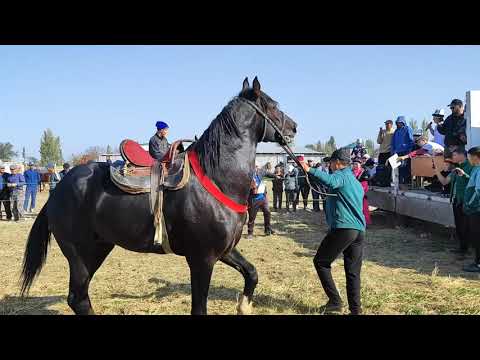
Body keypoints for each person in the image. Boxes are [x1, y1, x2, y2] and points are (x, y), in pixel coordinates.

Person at [300, 148, 366, 315]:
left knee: (321, 262)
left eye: (330, 162)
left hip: (344, 228)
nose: (329, 165)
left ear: (337, 163)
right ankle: (355, 310)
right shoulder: (354, 180)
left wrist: (309, 169)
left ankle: (335, 302)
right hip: (358, 231)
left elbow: (330, 181)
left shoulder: (341, 175)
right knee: (352, 272)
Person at [433, 146, 472, 258]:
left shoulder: (471, 167)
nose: (452, 157)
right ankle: (462, 248)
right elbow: (445, 182)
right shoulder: (456, 168)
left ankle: (466, 250)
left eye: (454, 155)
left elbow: (473, 181)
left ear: (462, 155)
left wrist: (464, 174)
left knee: (466, 227)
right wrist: (436, 170)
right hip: (456, 201)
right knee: (459, 226)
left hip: (465, 201)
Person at [461, 146, 480, 272]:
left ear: (475, 157)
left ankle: (478, 263)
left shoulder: (479, 170)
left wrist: (469, 204)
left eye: (469, 156)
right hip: (475, 208)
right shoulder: (475, 169)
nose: (468, 159)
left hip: (476, 209)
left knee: (477, 236)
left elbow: (478, 191)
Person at [246, 165, 275, 239]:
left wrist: (276, 176)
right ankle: (250, 233)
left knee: (267, 212)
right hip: (254, 199)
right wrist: (251, 187)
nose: (256, 168)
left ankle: (267, 229)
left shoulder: (260, 172)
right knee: (252, 217)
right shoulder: (248, 175)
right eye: (255, 167)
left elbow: (268, 174)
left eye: (257, 167)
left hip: (263, 198)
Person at [391, 116, 415, 185]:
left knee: (405, 168)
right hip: (396, 153)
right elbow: (393, 142)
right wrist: (393, 151)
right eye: (397, 122)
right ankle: (399, 183)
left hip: (405, 152)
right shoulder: (396, 131)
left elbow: (411, 141)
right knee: (397, 169)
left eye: (400, 122)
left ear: (403, 122)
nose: (399, 124)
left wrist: (408, 150)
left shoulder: (408, 128)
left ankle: (407, 183)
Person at [352, 159, 372, 226]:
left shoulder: (363, 172)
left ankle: (365, 223)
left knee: (364, 209)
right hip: (353, 194)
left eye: (356, 164)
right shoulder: (351, 173)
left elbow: (364, 184)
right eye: (354, 164)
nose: (355, 165)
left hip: (360, 195)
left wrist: (360, 193)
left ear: (360, 165)